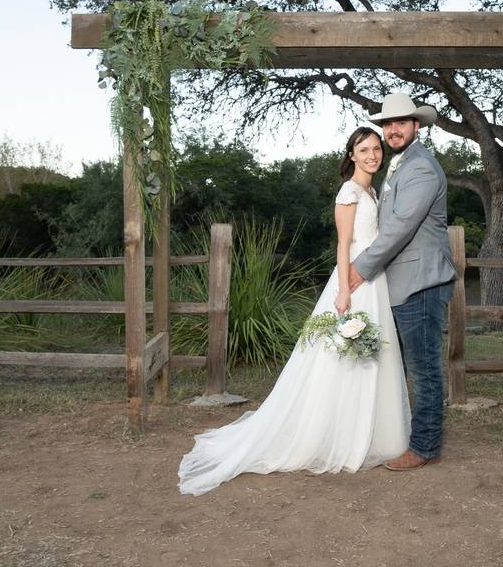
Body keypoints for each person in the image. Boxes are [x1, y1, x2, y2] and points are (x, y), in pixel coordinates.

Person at [178, 127, 410, 495]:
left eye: (375, 149)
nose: (372, 155)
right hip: (355, 280)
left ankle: (369, 429)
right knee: (341, 358)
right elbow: (344, 244)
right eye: (363, 149)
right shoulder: (349, 191)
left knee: (371, 356)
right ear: (350, 155)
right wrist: (344, 293)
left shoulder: (372, 191)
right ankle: (334, 433)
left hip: (374, 278)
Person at [350, 93, 456, 471]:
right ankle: (406, 434)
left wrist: (359, 268)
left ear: (416, 125)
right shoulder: (402, 164)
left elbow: (398, 230)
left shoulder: (422, 168)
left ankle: (425, 447)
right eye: (387, 124)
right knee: (409, 365)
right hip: (402, 282)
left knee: (424, 367)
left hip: (421, 283)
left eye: (400, 123)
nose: (392, 130)